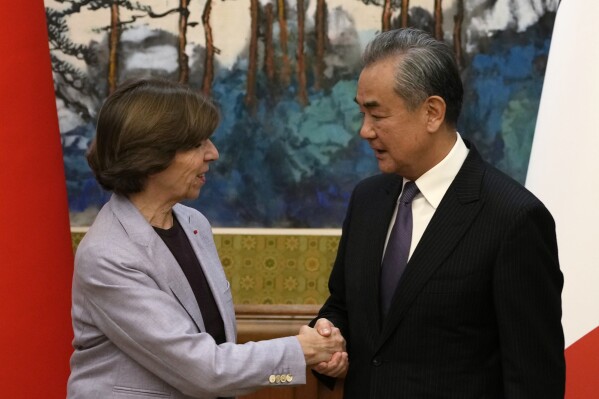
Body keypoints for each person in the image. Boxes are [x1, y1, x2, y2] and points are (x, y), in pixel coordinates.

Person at [312, 28, 565, 398]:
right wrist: (330, 338)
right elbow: (343, 306)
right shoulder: (368, 200)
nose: (364, 130)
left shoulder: (514, 218)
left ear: (432, 112)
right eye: (361, 112)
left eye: (377, 114)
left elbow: (533, 378)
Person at [67, 78, 346, 399]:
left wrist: (311, 361)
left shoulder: (192, 223)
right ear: (150, 155)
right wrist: (303, 351)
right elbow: (205, 371)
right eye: (197, 144)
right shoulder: (108, 255)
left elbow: (220, 367)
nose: (212, 153)